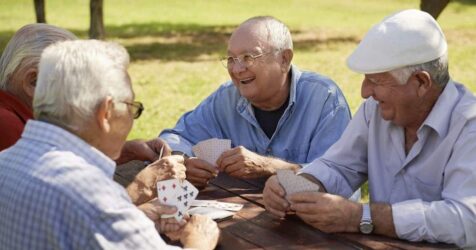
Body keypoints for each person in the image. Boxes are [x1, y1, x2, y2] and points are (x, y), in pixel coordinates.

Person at [262, 9, 476, 248]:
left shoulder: (470, 125)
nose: (364, 92)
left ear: (421, 82)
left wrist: (362, 217)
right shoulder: (375, 110)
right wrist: (294, 186)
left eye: (376, 81)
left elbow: (466, 219)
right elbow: (338, 166)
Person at [0, 40, 219, 249]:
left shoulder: (6, 160)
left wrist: (137, 216)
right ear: (106, 112)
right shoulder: (91, 193)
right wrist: (199, 239)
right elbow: (91, 208)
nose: (132, 119)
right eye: (132, 107)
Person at [160, 16, 351, 188]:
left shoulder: (324, 99)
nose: (237, 69)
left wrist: (269, 166)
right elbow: (174, 138)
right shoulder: (226, 98)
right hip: (243, 220)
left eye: (248, 57)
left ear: (284, 59)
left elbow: (337, 180)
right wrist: (185, 162)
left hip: (307, 221)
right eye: (231, 59)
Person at [0, 23, 173, 204]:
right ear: (32, 82)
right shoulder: (8, 126)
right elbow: (63, 209)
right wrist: (141, 187)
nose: (83, 98)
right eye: (75, 83)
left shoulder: (23, 119)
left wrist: (124, 151)